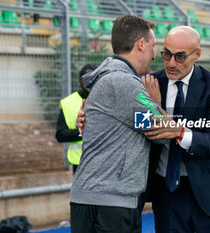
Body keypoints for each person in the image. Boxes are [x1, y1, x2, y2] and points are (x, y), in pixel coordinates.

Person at [77, 26, 210, 233]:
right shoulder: (147, 84)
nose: (171, 63)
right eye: (166, 54)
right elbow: (128, 122)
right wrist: (88, 119)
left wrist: (181, 132)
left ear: (197, 55)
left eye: (180, 57)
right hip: (167, 192)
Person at [69, 15, 166, 233]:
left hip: (98, 199)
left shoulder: (111, 77)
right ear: (141, 44)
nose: (154, 55)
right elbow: (162, 129)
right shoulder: (124, 82)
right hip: (109, 204)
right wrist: (156, 102)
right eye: (153, 46)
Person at [55, 64, 95, 174]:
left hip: (104, 162)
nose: (88, 81)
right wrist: (81, 131)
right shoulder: (68, 103)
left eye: (92, 77)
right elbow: (60, 135)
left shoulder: (106, 100)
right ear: (80, 80)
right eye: (85, 78)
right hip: (80, 164)